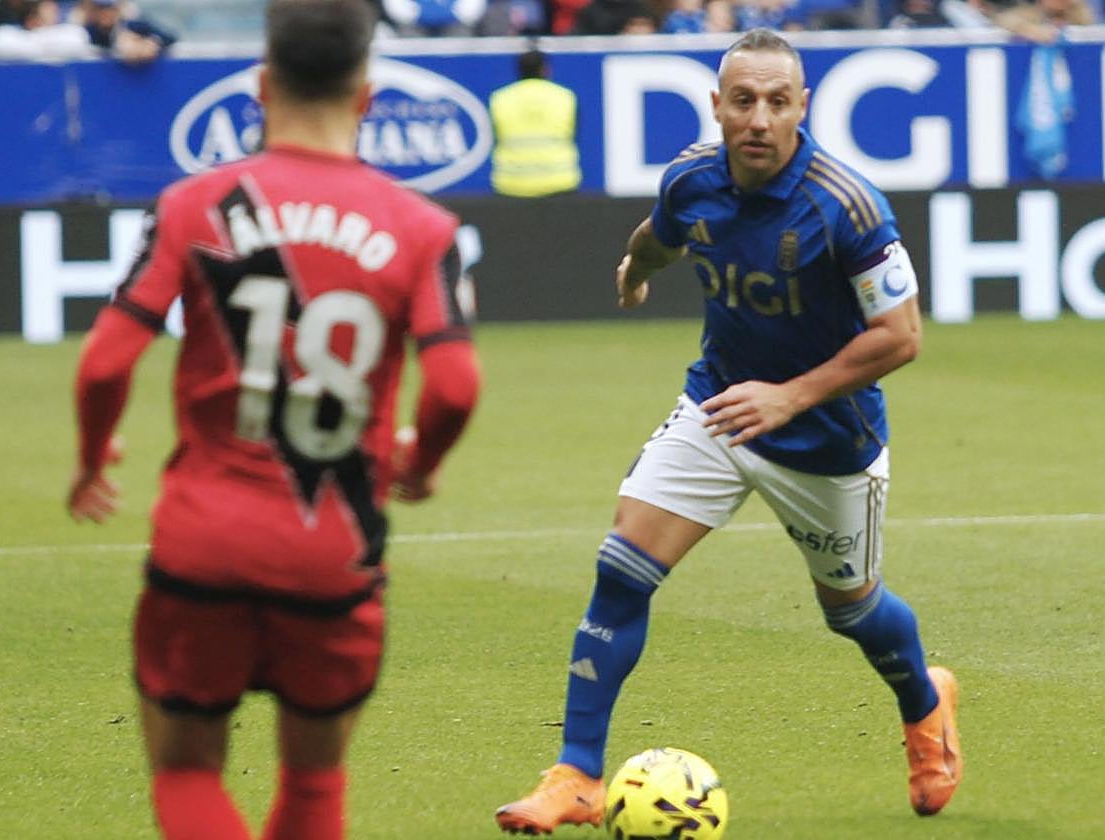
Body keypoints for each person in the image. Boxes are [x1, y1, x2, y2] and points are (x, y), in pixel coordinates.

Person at [495, 28, 961, 835]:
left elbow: (902, 334)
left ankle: (927, 705)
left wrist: (789, 398)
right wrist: (637, 270)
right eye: (742, 100)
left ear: (802, 108)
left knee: (850, 610)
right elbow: (661, 235)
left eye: (777, 102)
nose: (758, 118)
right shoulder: (691, 178)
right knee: (622, 569)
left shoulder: (847, 206)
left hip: (826, 439)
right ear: (717, 105)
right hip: (717, 408)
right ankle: (576, 774)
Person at [66, 1, 481, 838]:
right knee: (315, 786)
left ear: (261, 87)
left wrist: (91, 456)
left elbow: (105, 361)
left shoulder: (192, 205)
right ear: (366, 96)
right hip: (333, 548)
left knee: (185, 773)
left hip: (203, 537)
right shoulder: (423, 227)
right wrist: (422, 463)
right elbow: (457, 386)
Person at [488, 48, 581, 198]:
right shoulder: (565, 97)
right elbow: (574, 134)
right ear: (546, 70)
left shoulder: (500, 98)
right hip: (559, 182)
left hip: (511, 184)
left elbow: (493, 137)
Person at [78, 0, 176, 63]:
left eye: (111, 9)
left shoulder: (133, 26)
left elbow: (170, 37)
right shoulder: (86, 31)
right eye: (101, 9)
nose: (106, 13)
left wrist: (149, 43)